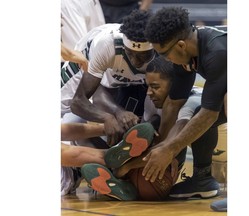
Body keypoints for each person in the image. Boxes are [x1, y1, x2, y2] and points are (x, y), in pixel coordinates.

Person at [80, 56, 204, 200]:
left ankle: (123, 180)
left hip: (208, 148)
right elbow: (146, 136)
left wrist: (127, 167)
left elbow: (167, 148)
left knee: (151, 182)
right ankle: (126, 185)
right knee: (148, 128)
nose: (149, 92)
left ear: (174, 84)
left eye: (155, 87)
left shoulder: (192, 103)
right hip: (167, 144)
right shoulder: (151, 100)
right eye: (148, 86)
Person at [141, 6, 227, 200]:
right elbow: (174, 103)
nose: (164, 59)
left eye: (163, 54)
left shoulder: (217, 52)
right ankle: (202, 179)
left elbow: (209, 114)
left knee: (219, 105)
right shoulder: (186, 56)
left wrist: (170, 149)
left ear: (180, 45)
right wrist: (162, 145)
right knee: (197, 113)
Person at [63, 10, 156, 146]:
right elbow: (79, 101)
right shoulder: (107, 45)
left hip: (132, 80)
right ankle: (100, 155)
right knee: (68, 122)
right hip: (92, 63)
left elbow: (169, 103)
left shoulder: (164, 52)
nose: (136, 62)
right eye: (130, 54)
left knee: (158, 113)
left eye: (142, 57)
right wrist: (111, 115)